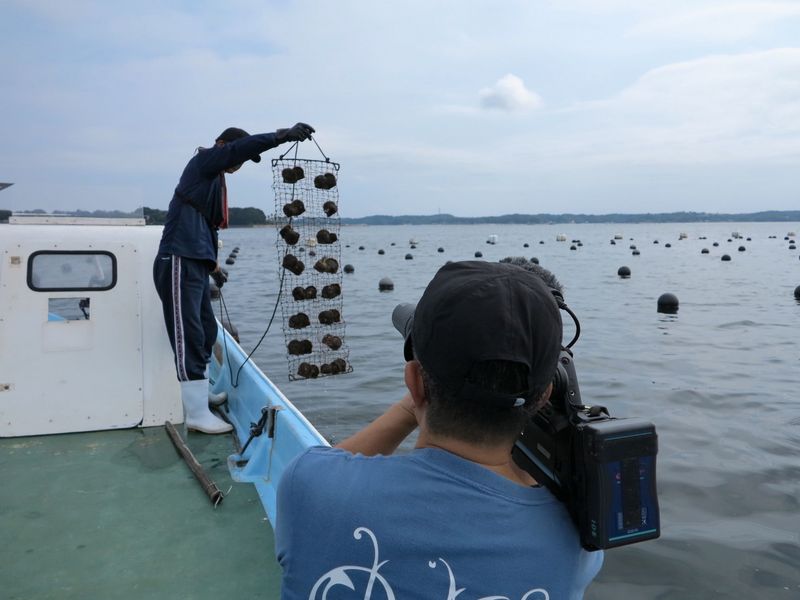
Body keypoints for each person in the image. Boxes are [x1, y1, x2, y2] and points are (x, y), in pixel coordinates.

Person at [275, 260, 603, 599]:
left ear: (414, 382)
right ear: (545, 394)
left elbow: (331, 462)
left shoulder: (308, 487)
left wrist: (416, 399)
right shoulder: (576, 543)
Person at [154, 123, 314, 434]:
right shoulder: (204, 161)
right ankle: (197, 415)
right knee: (188, 334)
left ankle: (202, 396)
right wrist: (280, 136)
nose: (238, 166)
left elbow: (205, 226)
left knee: (205, 330)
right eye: (239, 157)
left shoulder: (212, 180)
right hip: (178, 258)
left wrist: (214, 267)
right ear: (222, 145)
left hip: (196, 263)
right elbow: (236, 151)